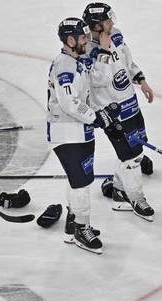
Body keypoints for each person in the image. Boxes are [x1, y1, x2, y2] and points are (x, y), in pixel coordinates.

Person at [47, 17, 121, 255]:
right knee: (81, 184)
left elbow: (99, 79)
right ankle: (82, 228)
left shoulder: (77, 60)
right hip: (67, 133)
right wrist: (94, 116)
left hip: (80, 131)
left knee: (78, 181)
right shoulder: (64, 66)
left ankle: (73, 225)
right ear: (70, 40)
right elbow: (69, 103)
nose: (87, 39)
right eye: (82, 37)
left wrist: (104, 52)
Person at [83, 3, 156, 222]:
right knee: (131, 157)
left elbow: (127, 62)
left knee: (136, 150)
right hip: (111, 113)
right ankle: (135, 198)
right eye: (107, 21)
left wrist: (142, 82)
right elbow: (97, 79)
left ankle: (119, 190)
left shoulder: (116, 35)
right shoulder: (86, 49)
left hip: (130, 104)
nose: (112, 23)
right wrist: (104, 51)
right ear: (96, 26)